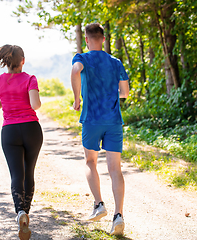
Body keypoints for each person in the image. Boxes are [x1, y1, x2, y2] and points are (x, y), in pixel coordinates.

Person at [70, 23, 130, 236]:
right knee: (115, 169)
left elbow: (76, 71)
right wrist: (111, 93)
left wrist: (77, 99)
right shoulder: (115, 62)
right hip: (113, 120)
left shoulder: (82, 58)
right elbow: (124, 92)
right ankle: (119, 216)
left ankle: (99, 204)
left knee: (90, 162)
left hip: (92, 120)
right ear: (103, 39)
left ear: (87, 40)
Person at [0, 44, 43, 240]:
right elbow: (35, 104)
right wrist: (29, 98)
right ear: (22, 61)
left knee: (16, 174)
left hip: (9, 132)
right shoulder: (30, 79)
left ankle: (20, 213)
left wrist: (8, 100)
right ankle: (26, 212)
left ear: (6, 62)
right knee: (29, 172)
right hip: (31, 130)